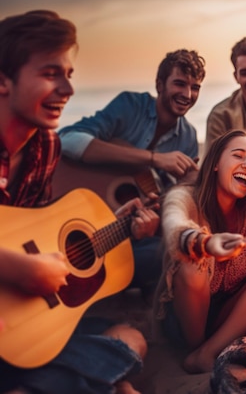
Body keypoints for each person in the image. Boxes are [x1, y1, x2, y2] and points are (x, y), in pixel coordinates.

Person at [0, 9, 159, 394]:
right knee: (118, 372)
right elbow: (21, 256)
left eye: (69, 76)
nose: (68, 91)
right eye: (50, 73)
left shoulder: (45, 146)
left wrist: (118, 227)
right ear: (3, 81)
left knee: (130, 339)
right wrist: (19, 269)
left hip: (23, 326)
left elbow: (30, 228)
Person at [57, 48, 205, 294]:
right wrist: (155, 159)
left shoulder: (188, 137)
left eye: (196, 87)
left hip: (126, 236)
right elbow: (68, 140)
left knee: (176, 255)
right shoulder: (130, 106)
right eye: (179, 84)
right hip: (79, 218)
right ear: (159, 84)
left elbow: (166, 201)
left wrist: (186, 191)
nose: (188, 94)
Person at [153, 129, 246, 374]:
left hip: (227, 321)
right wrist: (205, 244)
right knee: (192, 263)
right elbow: (174, 224)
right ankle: (197, 350)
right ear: (216, 163)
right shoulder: (184, 197)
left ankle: (207, 353)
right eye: (238, 156)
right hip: (183, 320)